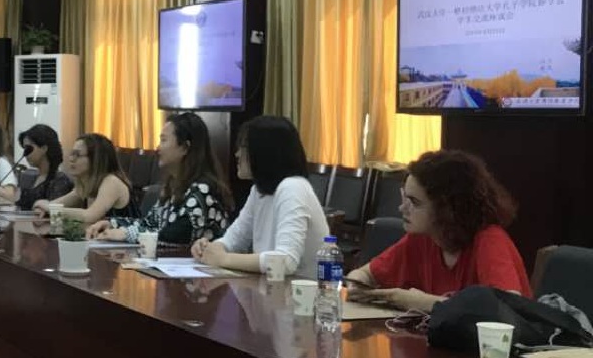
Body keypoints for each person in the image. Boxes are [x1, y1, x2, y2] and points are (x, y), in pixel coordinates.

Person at [346, 150, 529, 312]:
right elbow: (365, 274)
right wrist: (356, 286)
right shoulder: (421, 238)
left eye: (414, 202)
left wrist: (423, 302)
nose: (402, 208)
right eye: (404, 198)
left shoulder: (490, 239)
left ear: (447, 209)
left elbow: (507, 307)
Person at [191, 116, 330, 279]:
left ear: (265, 151)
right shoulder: (259, 191)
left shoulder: (293, 188)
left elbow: (286, 261)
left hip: (304, 292)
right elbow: (233, 240)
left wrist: (224, 259)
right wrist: (209, 248)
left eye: (244, 147)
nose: (237, 154)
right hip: (273, 288)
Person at [86, 112, 233, 245]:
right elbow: (149, 224)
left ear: (184, 147)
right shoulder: (173, 186)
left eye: (163, 140)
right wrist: (112, 224)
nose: (158, 147)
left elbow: (176, 235)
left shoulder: (203, 189)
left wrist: (126, 234)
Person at [33, 133, 134, 223]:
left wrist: (50, 209)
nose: (71, 159)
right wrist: (43, 208)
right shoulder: (85, 185)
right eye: (72, 154)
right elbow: (52, 205)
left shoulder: (112, 182)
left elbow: (90, 216)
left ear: (96, 159)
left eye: (77, 155)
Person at [12, 124, 73, 210]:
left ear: (44, 148)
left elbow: (54, 213)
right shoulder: (29, 178)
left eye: (28, 148)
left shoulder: (60, 181)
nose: (25, 154)